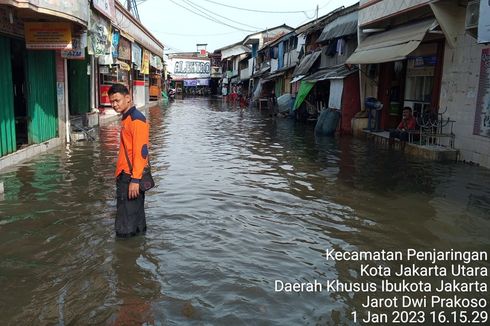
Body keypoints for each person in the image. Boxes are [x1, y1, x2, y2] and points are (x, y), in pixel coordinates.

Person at [108, 83, 150, 238]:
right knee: (136, 220)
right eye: (112, 101)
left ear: (128, 98)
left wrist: (135, 179)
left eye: (117, 100)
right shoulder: (127, 118)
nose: (114, 104)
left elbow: (141, 152)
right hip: (128, 176)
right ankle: (137, 249)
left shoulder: (136, 120)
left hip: (130, 178)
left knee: (124, 225)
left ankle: (125, 257)